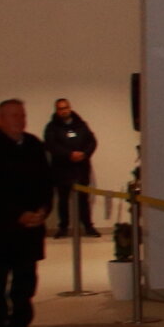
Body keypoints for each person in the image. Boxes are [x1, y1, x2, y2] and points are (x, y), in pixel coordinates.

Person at [0, 99, 52, 327]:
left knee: (25, 281)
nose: (20, 120)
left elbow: (46, 181)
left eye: (22, 115)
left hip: (30, 230)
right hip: (0, 229)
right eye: (14, 116)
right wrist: (17, 214)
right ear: (0, 119)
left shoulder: (33, 145)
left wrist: (42, 210)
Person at [42, 97, 100, 237]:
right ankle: (63, 228)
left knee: (83, 200)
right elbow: (50, 145)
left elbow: (92, 141)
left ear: (70, 108)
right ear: (57, 111)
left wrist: (84, 154)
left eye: (65, 108)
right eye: (60, 109)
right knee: (63, 200)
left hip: (81, 169)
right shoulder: (52, 127)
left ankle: (88, 227)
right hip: (61, 170)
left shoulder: (81, 125)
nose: (64, 111)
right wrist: (68, 155)